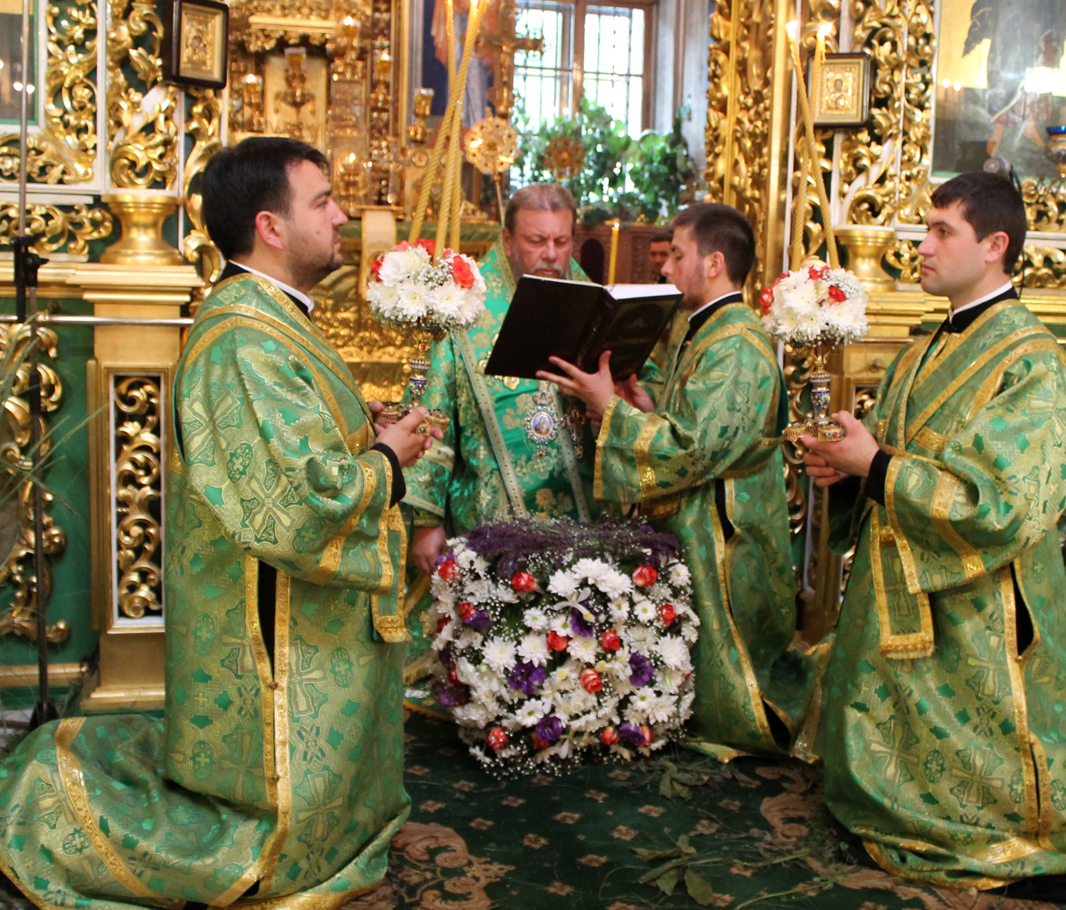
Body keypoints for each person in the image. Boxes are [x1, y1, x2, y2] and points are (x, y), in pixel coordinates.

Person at [0, 136, 438, 909]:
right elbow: (292, 501)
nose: (343, 217)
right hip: (272, 622)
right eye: (324, 202)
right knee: (266, 838)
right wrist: (387, 462)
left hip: (286, 606)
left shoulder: (270, 318)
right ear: (271, 227)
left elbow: (289, 443)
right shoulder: (242, 338)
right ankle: (47, 807)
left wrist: (362, 433)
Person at [803, 171, 1066, 905]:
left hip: (982, 616)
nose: (921, 247)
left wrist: (876, 466)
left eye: (941, 232)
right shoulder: (924, 347)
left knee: (999, 793)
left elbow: (1002, 506)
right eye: (924, 229)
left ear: (993, 246)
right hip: (901, 605)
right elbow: (887, 453)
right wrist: (848, 471)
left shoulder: (1035, 366)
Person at [540, 202, 816, 759]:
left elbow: (695, 449)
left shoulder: (736, 343)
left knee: (734, 668)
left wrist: (609, 409)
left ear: (714, 264)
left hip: (728, 534)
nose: (665, 268)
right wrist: (646, 409)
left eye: (678, 256)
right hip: (707, 518)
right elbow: (699, 425)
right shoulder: (712, 330)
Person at [404, 184, 595, 578]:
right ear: (508, 240)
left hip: (585, 522)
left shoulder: (593, 300)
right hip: (489, 521)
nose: (551, 254)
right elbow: (430, 415)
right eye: (536, 241)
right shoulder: (464, 308)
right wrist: (425, 518)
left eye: (561, 241)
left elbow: (639, 392)